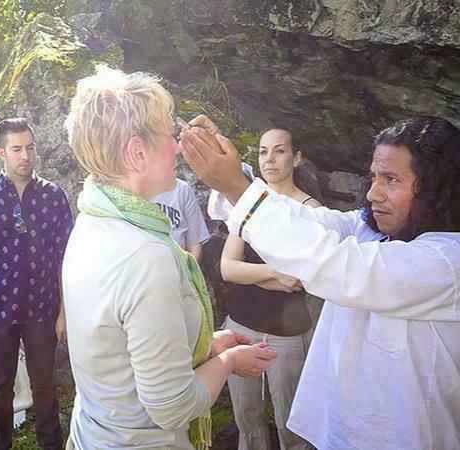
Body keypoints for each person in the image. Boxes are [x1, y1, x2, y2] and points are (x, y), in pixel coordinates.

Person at [180, 116, 460, 449]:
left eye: (391, 179)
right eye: (374, 177)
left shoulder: (447, 262)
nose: (373, 193)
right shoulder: (369, 228)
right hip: (338, 434)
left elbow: (338, 265)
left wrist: (237, 188)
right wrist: (233, 176)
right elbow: (306, 222)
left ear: (437, 187)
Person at [62, 65, 278, 450]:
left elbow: (121, 348)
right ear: (137, 152)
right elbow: (173, 407)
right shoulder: (147, 255)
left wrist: (204, 345)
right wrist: (227, 363)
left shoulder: (92, 221)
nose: (178, 146)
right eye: (169, 135)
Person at [0, 118, 73, 450]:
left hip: (43, 308)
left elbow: (67, 258)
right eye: (17, 149)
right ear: (1, 153)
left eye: (30, 147)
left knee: (44, 387)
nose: (25, 156)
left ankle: (51, 446)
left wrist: (64, 312)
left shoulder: (53, 196)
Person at [220, 129, 320, 450]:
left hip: (288, 334)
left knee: (292, 424)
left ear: (296, 157)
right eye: (263, 152)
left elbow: (302, 279)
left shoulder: (312, 210)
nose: (270, 160)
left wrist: (252, 274)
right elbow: (227, 268)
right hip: (240, 327)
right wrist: (274, 272)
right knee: (247, 422)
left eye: (279, 151)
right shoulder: (251, 203)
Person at [153, 178, 210, 262]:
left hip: (178, 269)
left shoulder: (182, 189)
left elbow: (194, 248)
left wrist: (186, 272)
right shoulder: (129, 192)